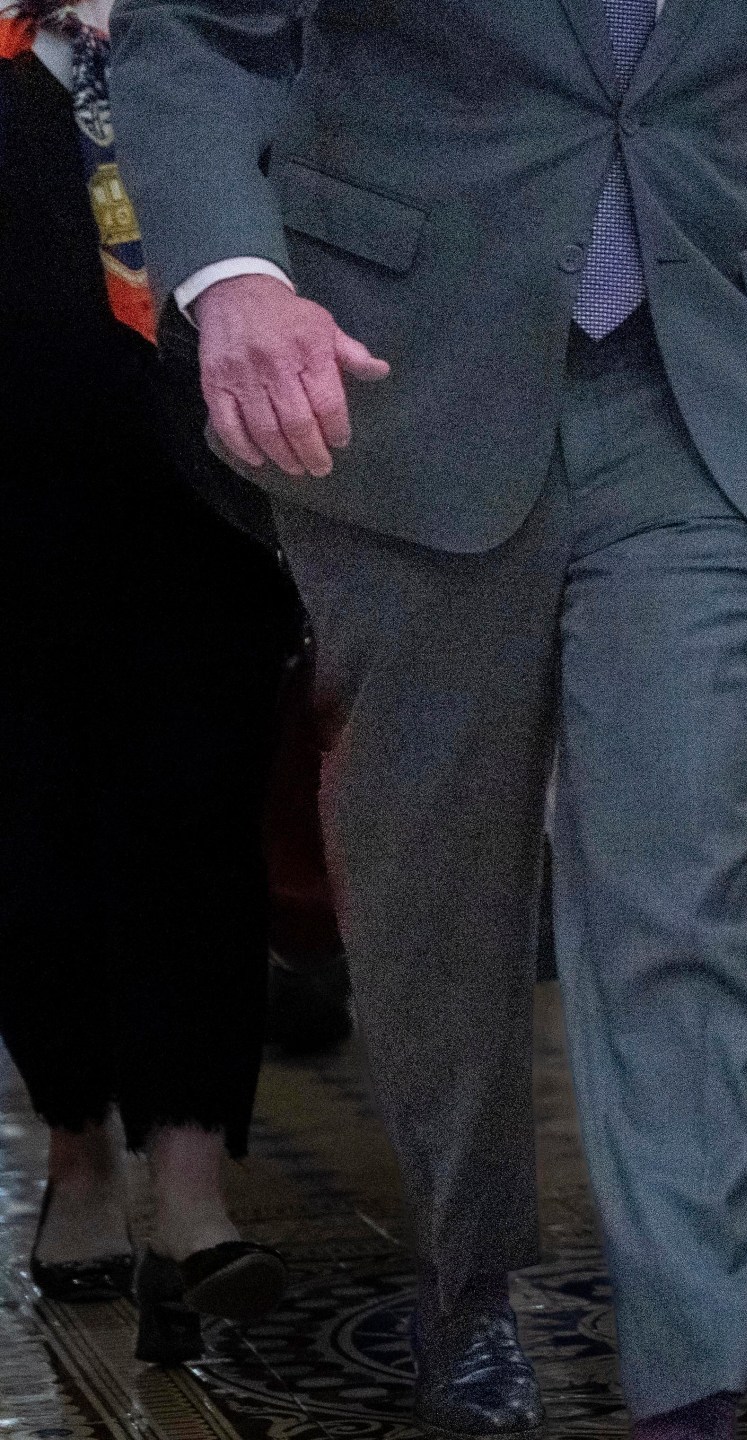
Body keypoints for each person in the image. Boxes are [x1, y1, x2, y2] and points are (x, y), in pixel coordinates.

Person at [107, 2, 747, 1437]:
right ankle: (469, 1276)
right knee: (435, 899)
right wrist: (231, 280)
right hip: (399, 379)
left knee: (688, 895)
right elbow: (197, 34)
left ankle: (695, 1383)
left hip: (712, 397)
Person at [0, 0, 296, 1365]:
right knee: (36, 832)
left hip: (210, 507)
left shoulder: (209, 45)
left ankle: (190, 1186)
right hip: (19, 507)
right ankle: (77, 1152)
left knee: (198, 822)